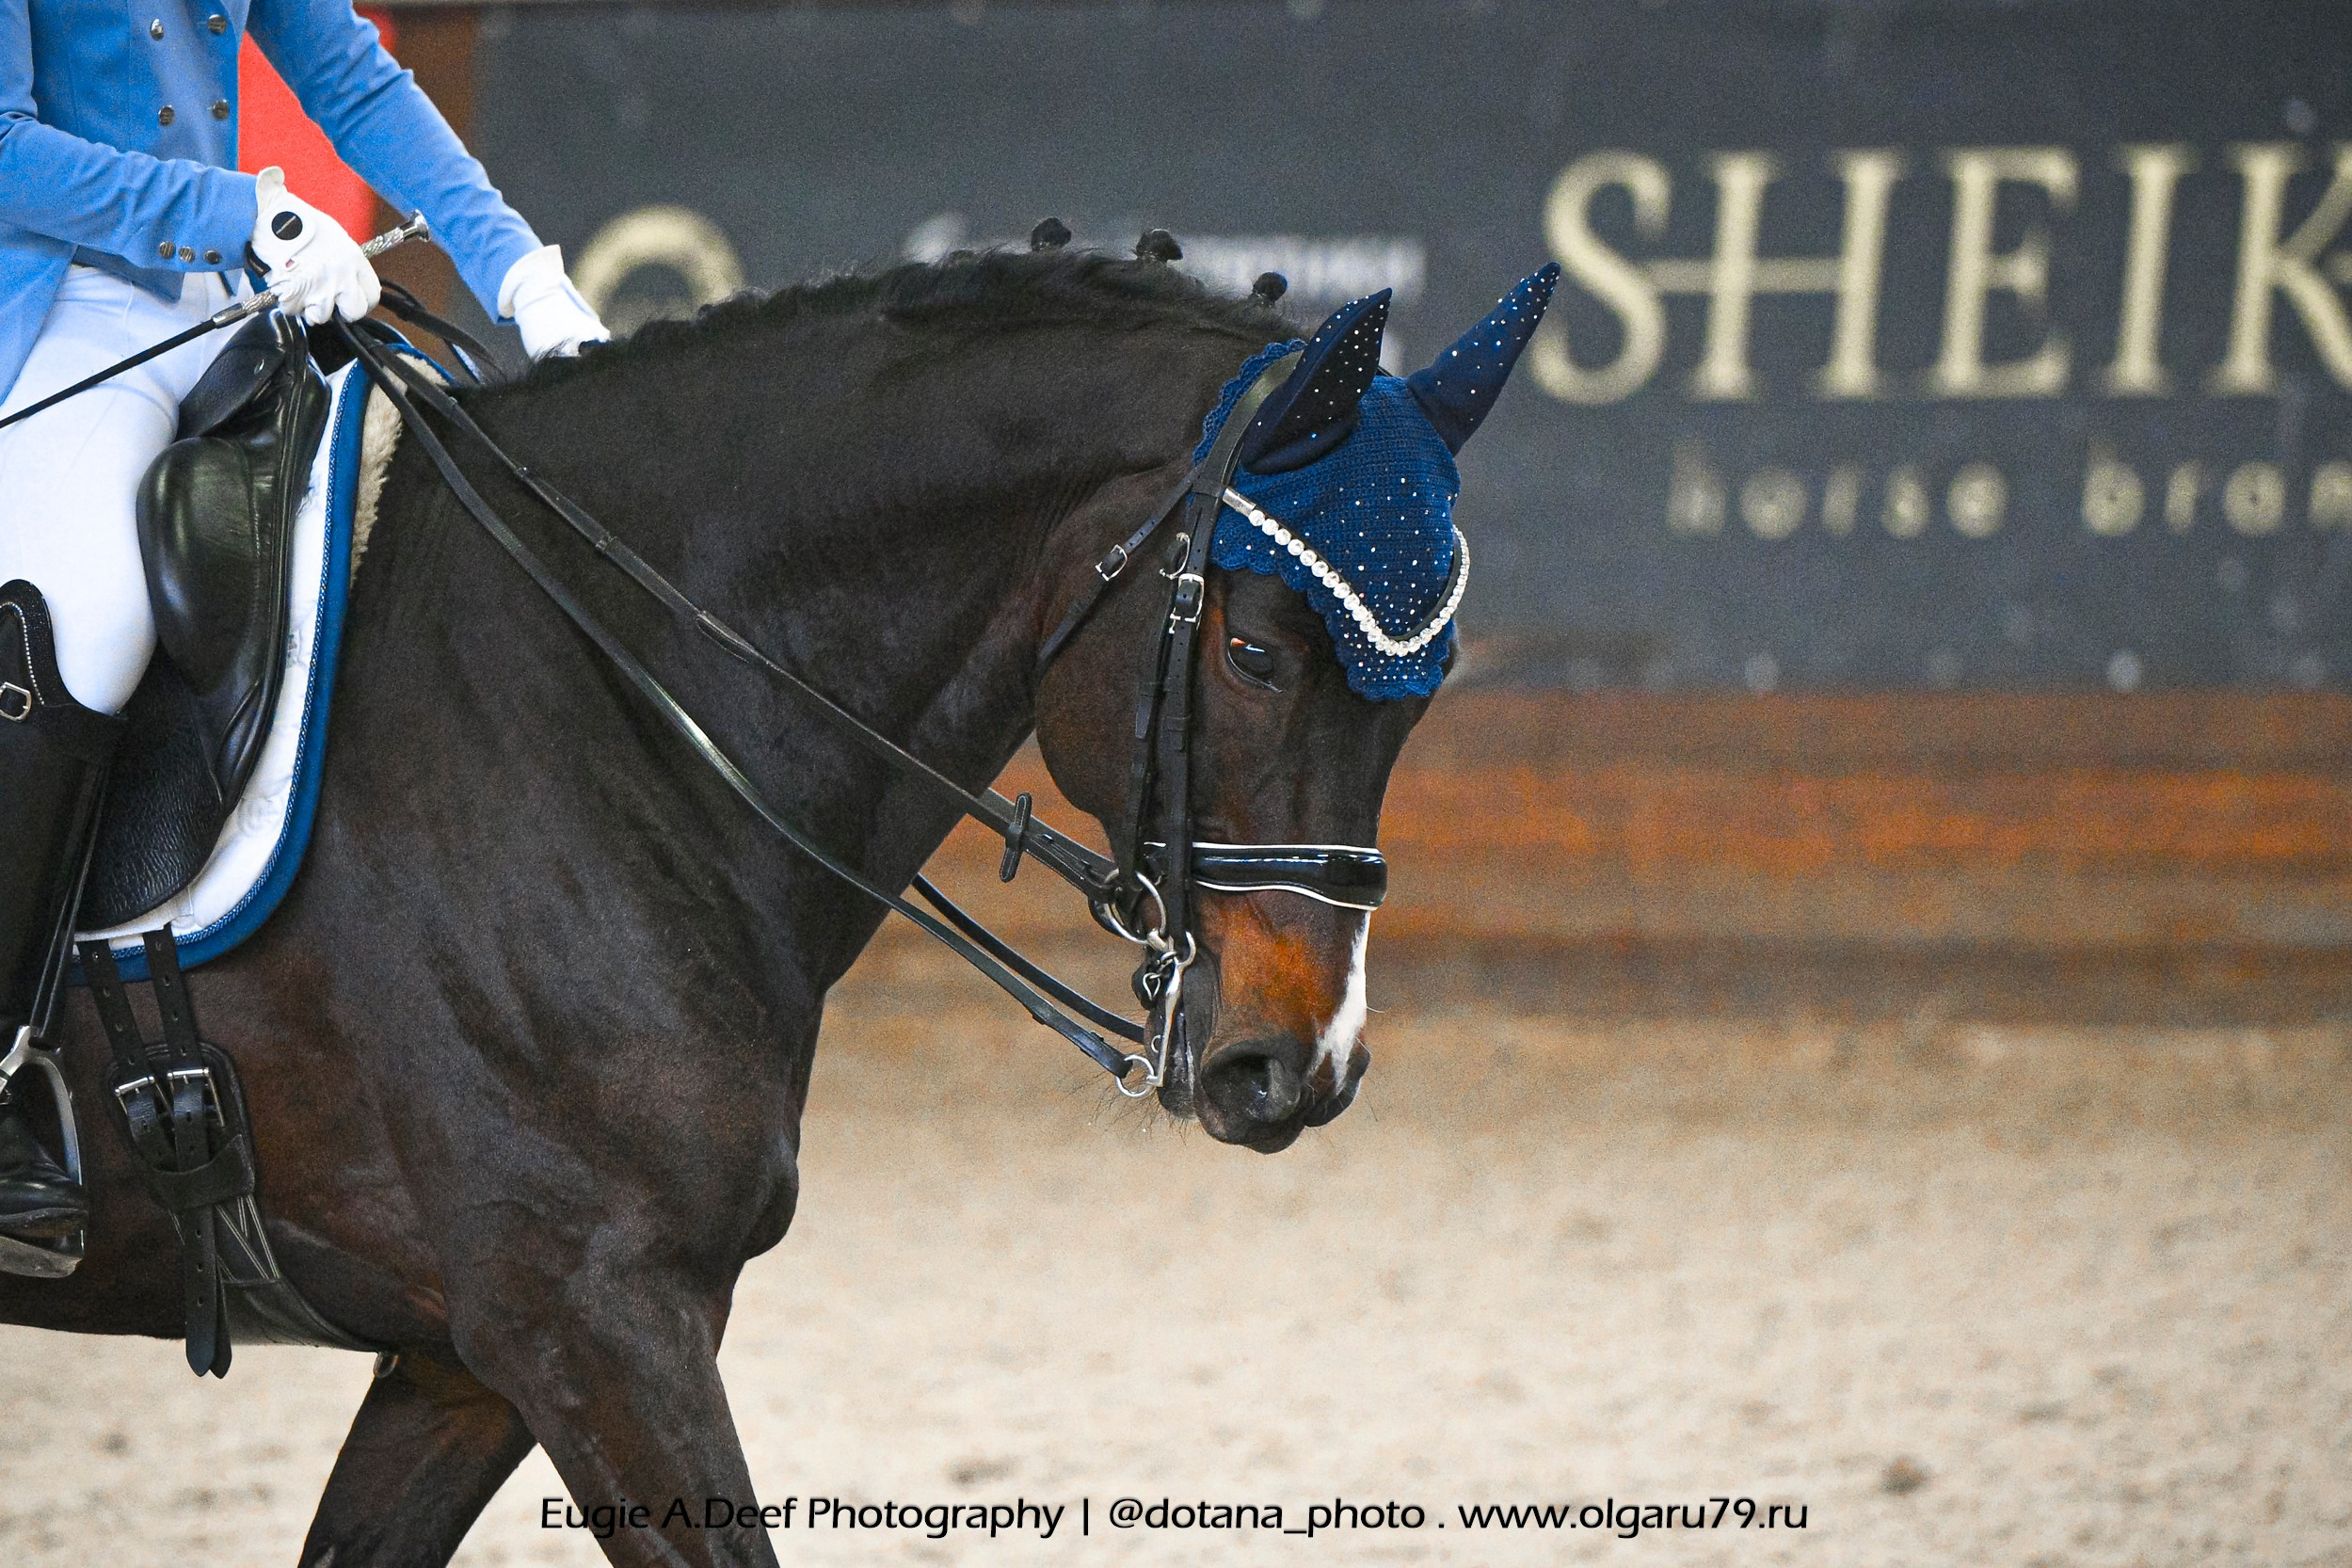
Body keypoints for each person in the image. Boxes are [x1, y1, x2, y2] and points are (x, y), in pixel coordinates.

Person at [0, 0, 610, 1246]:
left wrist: (520, 272)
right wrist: (247, 213)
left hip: (231, 302)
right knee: (95, 618)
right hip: (72, 307)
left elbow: (353, 80)